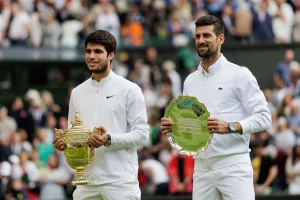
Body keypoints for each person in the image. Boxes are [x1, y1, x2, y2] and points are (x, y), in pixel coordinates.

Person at [160, 15, 272, 200]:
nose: (201, 41)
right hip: (202, 168)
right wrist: (175, 128)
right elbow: (193, 126)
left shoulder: (240, 74)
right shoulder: (190, 81)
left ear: (221, 39)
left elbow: (264, 118)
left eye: (206, 35)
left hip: (234, 165)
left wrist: (229, 127)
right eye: (197, 36)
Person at [52, 30, 149, 200]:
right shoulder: (77, 93)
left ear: (111, 55)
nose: (91, 56)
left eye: (97, 51)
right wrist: (65, 143)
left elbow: (142, 135)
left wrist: (109, 139)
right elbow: (74, 137)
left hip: (120, 183)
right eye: (88, 51)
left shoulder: (130, 90)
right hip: (85, 184)